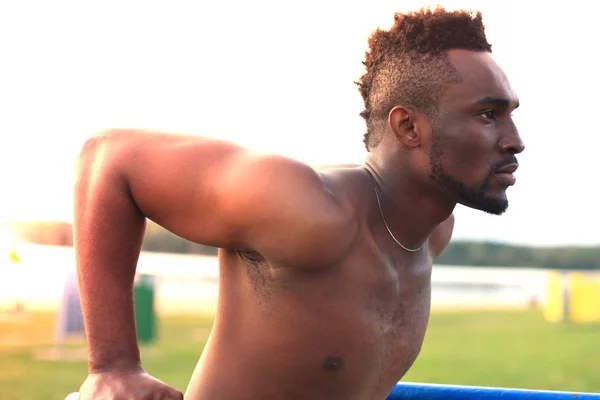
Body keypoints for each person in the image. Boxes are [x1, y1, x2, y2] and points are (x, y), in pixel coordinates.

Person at [74, 6, 524, 400]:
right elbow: (107, 156)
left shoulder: (431, 235)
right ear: (408, 127)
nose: (516, 142)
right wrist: (113, 367)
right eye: (488, 115)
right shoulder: (306, 208)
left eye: (511, 114)